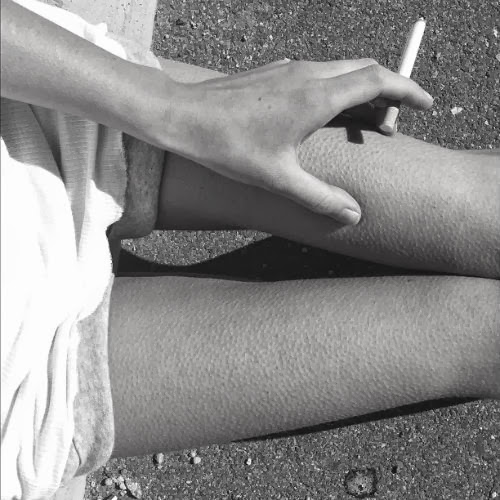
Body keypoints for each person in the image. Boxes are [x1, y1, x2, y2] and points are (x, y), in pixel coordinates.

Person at [1, 0, 498, 498]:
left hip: (61, 111)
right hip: (28, 391)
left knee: (477, 225)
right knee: (478, 329)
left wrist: (172, 108)